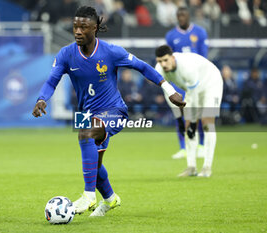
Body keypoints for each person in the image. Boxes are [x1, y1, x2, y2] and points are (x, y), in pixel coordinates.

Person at [32, 6, 185, 217]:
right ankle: (111, 199)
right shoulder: (66, 54)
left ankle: (88, 196)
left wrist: (169, 90)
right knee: (94, 164)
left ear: (94, 28)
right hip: (87, 114)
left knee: (86, 134)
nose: (77, 31)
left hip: (114, 110)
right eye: (75, 26)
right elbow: (52, 80)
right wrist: (42, 98)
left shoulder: (111, 52)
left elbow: (143, 67)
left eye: (83, 27)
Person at [155, 45, 223, 177]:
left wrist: (192, 121)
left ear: (173, 57)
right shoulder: (159, 70)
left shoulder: (187, 67)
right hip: (193, 91)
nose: (163, 64)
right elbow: (169, 94)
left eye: (165, 60)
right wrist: (179, 118)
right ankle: (191, 167)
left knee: (206, 122)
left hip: (211, 84)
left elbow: (194, 95)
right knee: (187, 126)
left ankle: (207, 167)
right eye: (159, 61)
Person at [165, 6, 208, 160]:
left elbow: (204, 56)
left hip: (196, 79)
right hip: (179, 80)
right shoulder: (171, 35)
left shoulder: (200, 32)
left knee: (199, 112)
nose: (181, 18)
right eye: (179, 15)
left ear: (188, 16)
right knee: (180, 113)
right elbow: (168, 59)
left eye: (184, 15)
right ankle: (183, 147)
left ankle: (202, 145)